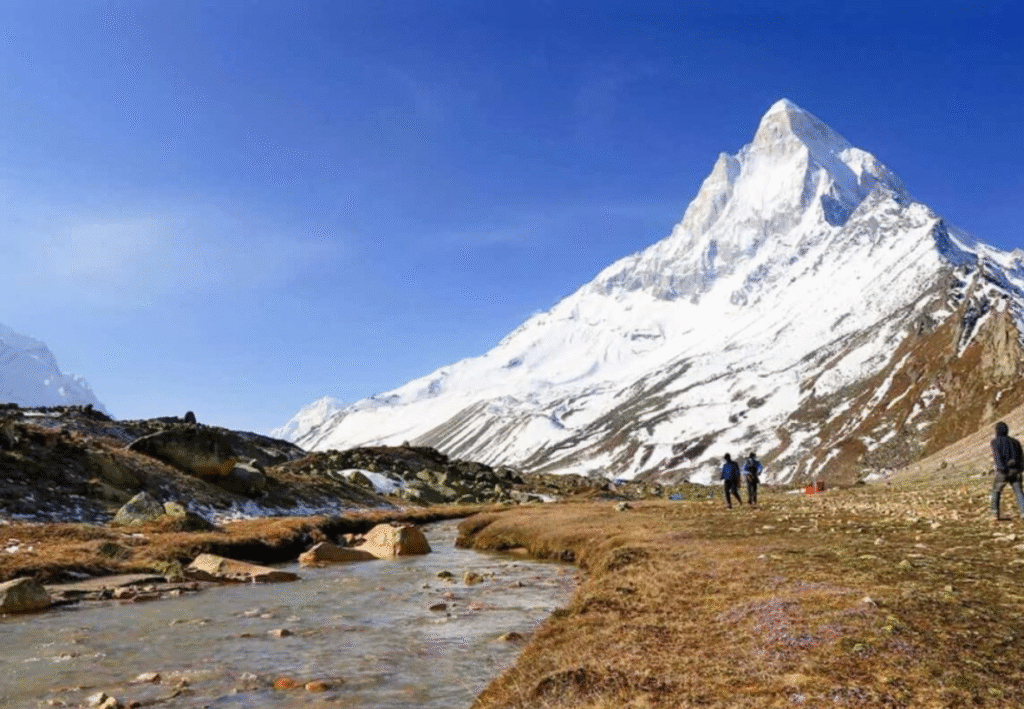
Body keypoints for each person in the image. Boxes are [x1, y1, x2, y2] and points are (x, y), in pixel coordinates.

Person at [990, 421, 1024, 520]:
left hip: (1003, 472)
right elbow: (1021, 457)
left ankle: (995, 513)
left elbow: (997, 457)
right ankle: (1023, 512)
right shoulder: (1016, 442)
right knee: (1019, 492)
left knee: (996, 491)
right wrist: (1021, 469)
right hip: (1016, 471)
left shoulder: (995, 442)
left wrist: (1001, 469)